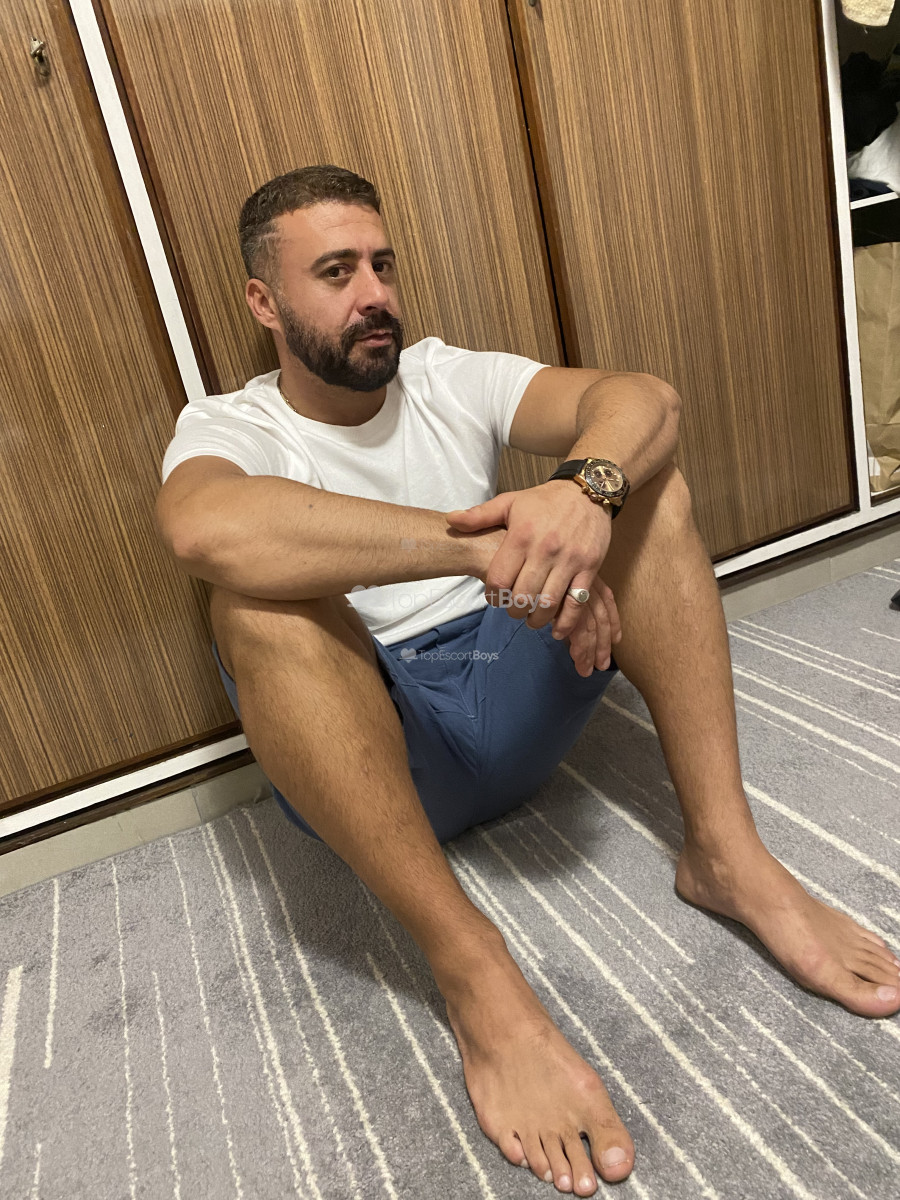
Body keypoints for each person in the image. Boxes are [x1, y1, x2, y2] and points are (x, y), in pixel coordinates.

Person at [155, 165, 900, 1196]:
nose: (374, 294)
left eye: (382, 265)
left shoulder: (446, 374)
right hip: (379, 750)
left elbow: (643, 399)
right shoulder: (233, 427)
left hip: (519, 675)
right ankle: (478, 979)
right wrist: (488, 549)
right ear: (264, 302)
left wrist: (586, 496)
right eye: (335, 272)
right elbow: (205, 527)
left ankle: (727, 855)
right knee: (251, 606)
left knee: (646, 491)